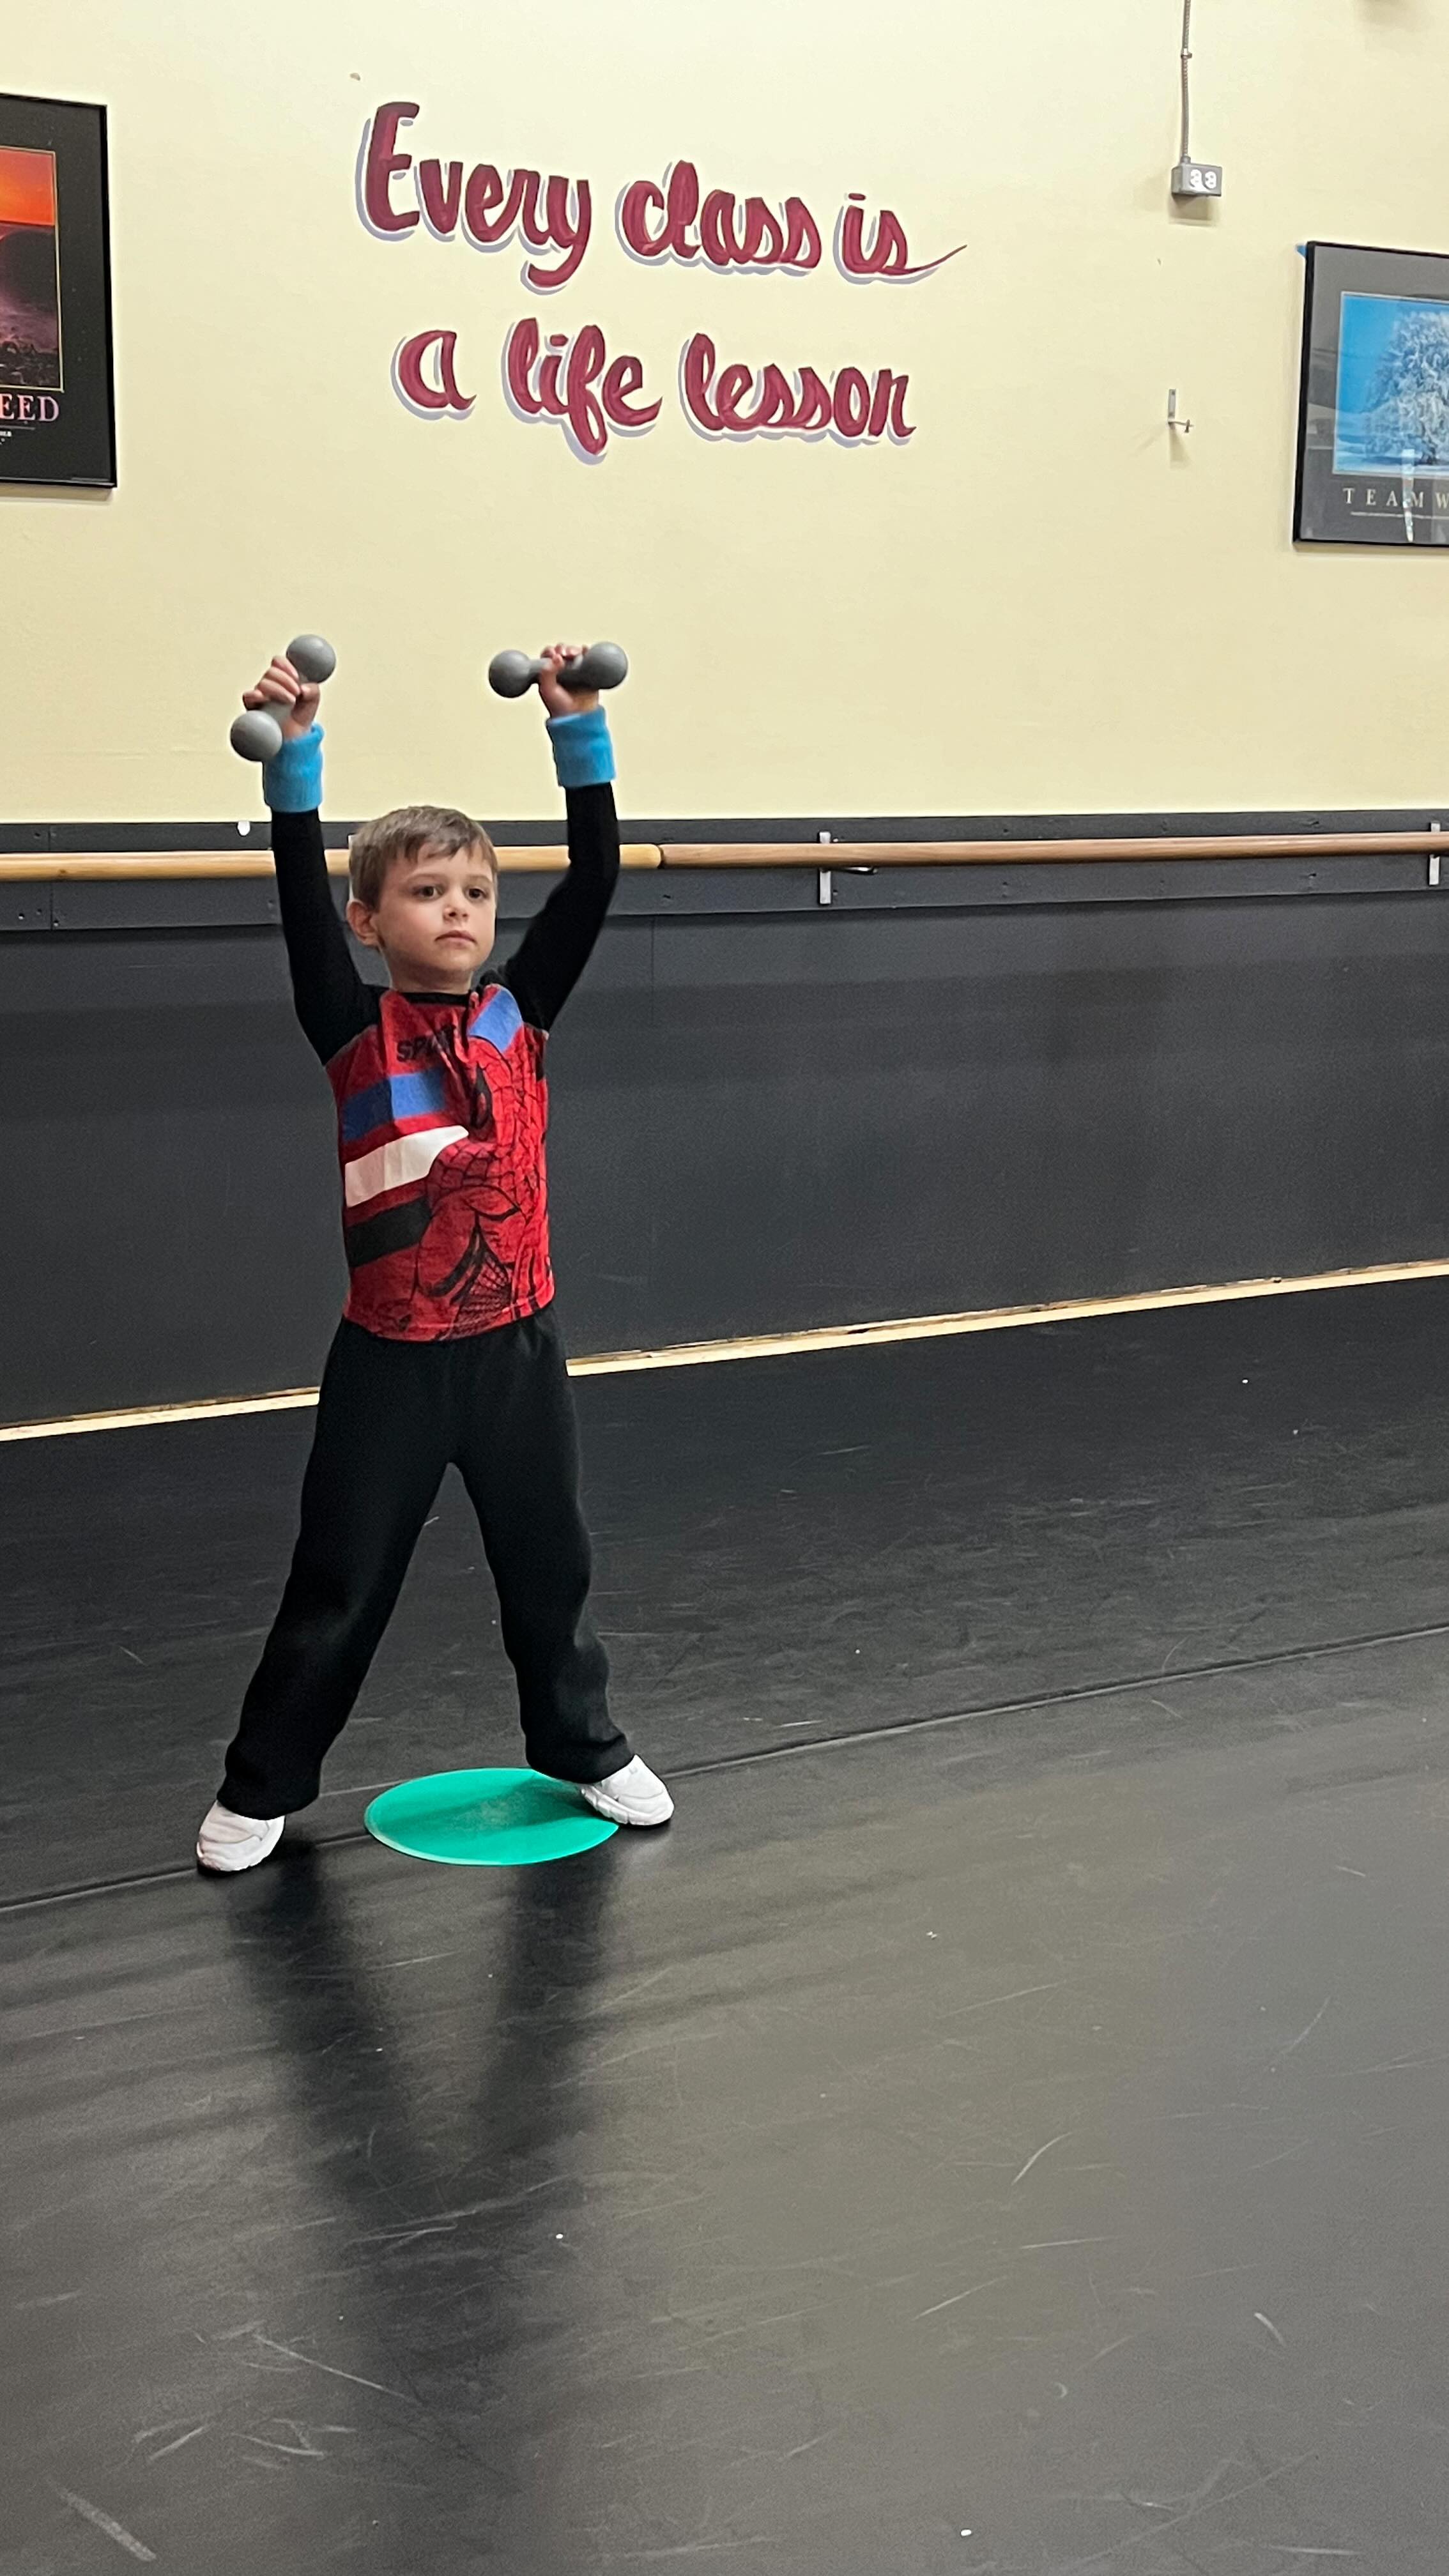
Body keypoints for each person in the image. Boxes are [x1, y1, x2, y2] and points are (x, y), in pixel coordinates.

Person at [195, 643, 673, 1871]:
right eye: (424, 892)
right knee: (340, 1582)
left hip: (520, 1349)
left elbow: (598, 875)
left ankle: (583, 1744)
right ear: (372, 920)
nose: (457, 909)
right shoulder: (353, 1028)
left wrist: (579, 735)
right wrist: (296, 764)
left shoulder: (523, 1012)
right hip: (393, 1366)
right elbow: (297, 902)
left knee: (550, 1564)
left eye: (473, 890)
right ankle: (262, 1784)